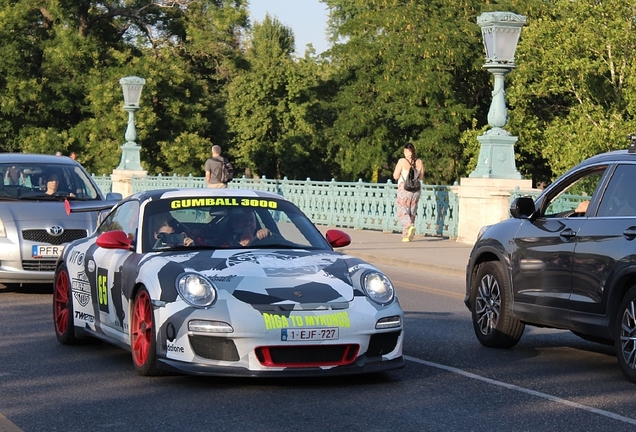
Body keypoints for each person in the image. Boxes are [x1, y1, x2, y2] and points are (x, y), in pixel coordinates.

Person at [392, 142, 424, 242]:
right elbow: (421, 177)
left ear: (406, 151)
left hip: (404, 188)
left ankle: (409, 226)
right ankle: (406, 236)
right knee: (412, 211)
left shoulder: (402, 161)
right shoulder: (419, 162)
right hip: (416, 189)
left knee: (401, 211)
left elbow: (395, 176)